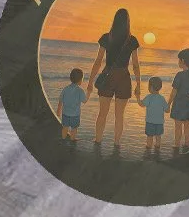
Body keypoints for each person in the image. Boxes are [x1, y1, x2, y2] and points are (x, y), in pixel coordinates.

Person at [86, 8, 140, 157]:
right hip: (123, 78)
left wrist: (90, 82)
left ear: (114, 20)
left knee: (102, 113)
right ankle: (116, 144)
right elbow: (135, 65)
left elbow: (98, 61)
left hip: (108, 76)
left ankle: (97, 141)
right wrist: (138, 85)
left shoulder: (106, 37)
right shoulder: (132, 40)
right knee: (119, 116)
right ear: (128, 22)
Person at [169, 48, 189, 155]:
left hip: (179, 104)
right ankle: (187, 143)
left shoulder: (179, 75)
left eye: (178, 60)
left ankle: (177, 144)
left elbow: (173, 92)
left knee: (178, 126)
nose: (178, 62)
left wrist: (168, 104)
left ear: (183, 60)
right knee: (187, 125)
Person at [140, 77, 168, 159]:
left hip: (150, 122)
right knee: (158, 136)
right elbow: (167, 110)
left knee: (149, 136)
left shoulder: (149, 97)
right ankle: (157, 150)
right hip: (160, 122)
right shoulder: (162, 98)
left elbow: (142, 104)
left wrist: (138, 98)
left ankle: (148, 149)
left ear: (151, 87)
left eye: (149, 86)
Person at [57, 68, 87, 143]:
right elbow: (84, 101)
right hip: (75, 115)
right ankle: (72, 139)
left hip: (65, 113)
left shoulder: (65, 89)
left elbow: (60, 100)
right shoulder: (80, 90)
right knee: (74, 129)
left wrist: (58, 111)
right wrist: (89, 92)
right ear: (80, 80)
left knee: (65, 127)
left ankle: (63, 139)